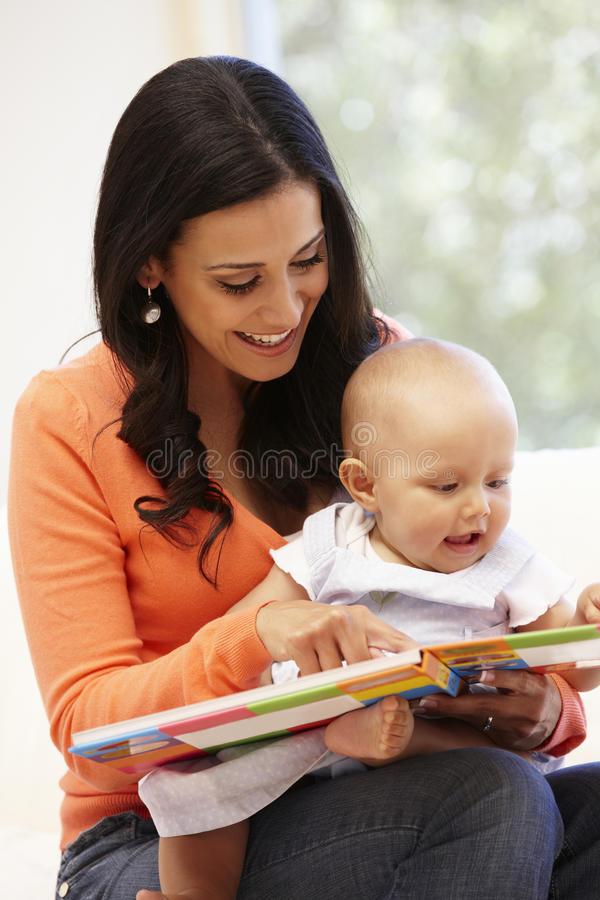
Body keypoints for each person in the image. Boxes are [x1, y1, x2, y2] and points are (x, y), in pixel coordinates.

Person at [6, 55, 599, 900]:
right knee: (491, 802)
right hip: (166, 837)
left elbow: (484, 584)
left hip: (388, 780)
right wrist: (257, 636)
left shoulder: (380, 370)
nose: (285, 310)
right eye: (239, 281)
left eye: (308, 259)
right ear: (150, 266)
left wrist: (545, 711)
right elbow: (87, 721)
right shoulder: (69, 419)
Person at [136, 337, 600, 900]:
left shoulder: (507, 562)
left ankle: (395, 741)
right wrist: (279, 631)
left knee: (501, 772)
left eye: (498, 481)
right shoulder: (332, 544)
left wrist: (590, 624)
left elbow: (569, 665)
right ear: (364, 485)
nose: (479, 507)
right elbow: (248, 624)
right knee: (208, 788)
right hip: (312, 745)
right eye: (447, 486)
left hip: (443, 739)